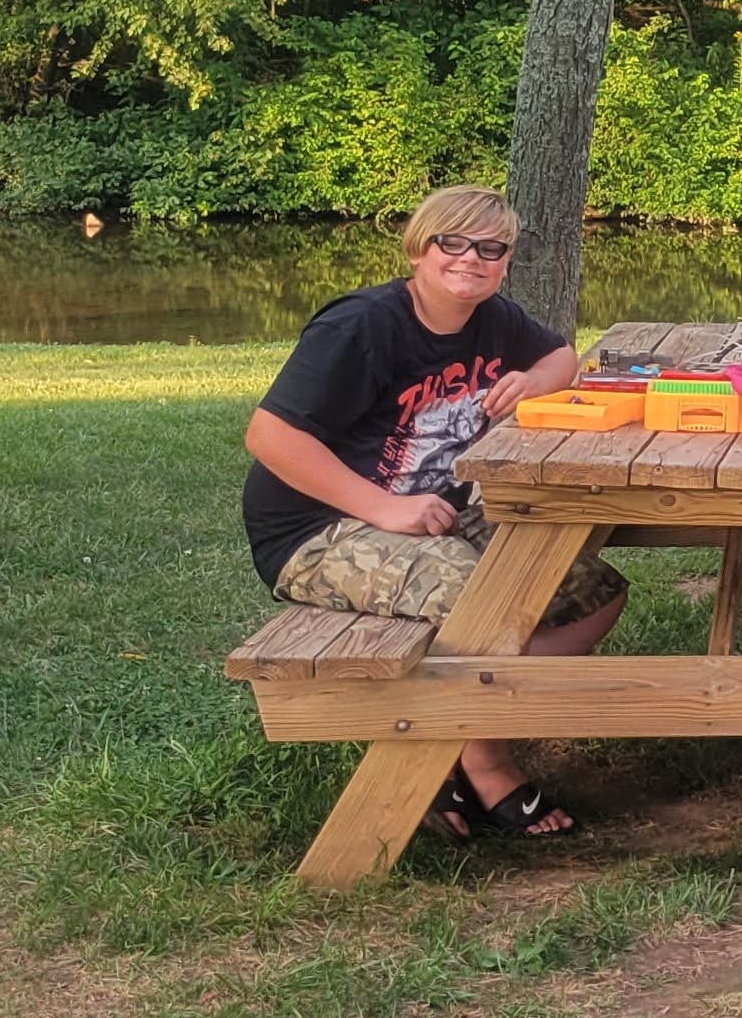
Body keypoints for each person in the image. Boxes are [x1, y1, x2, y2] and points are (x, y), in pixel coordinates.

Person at [241, 185, 624, 841]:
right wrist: (383, 509)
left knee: (596, 591)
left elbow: (562, 354)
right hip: (317, 528)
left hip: (429, 514)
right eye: (453, 242)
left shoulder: (492, 319)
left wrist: (533, 383)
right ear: (421, 246)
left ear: (505, 260)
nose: (470, 259)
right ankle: (486, 763)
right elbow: (270, 437)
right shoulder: (360, 327)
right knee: (485, 603)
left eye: (490, 248)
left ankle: (446, 730)